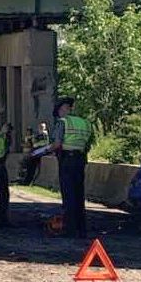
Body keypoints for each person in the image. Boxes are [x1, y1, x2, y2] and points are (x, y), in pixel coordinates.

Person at [44, 97, 93, 238]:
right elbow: (88, 144)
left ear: (61, 109)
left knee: (69, 194)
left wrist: (44, 151)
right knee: (79, 194)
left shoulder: (62, 122)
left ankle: (70, 228)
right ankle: (81, 228)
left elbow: (57, 144)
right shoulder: (85, 123)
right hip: (80, 160)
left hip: (67, 160)